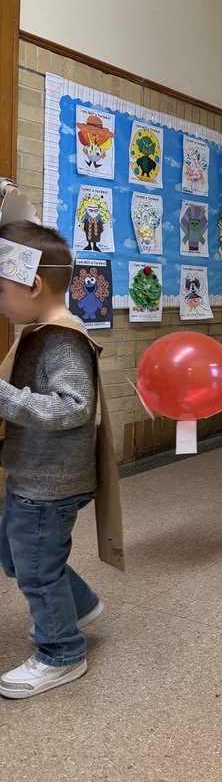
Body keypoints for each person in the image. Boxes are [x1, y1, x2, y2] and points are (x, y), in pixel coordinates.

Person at [0, 220, 118, 700]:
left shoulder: (63, 339)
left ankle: (62, 653)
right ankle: (81, 603)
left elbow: (75, 407)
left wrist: (5, 399)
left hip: (48, 485)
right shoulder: (39, 330)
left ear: (31, 283)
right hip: (31, 474)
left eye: (1, 289)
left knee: (36, 568)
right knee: (15, 555)